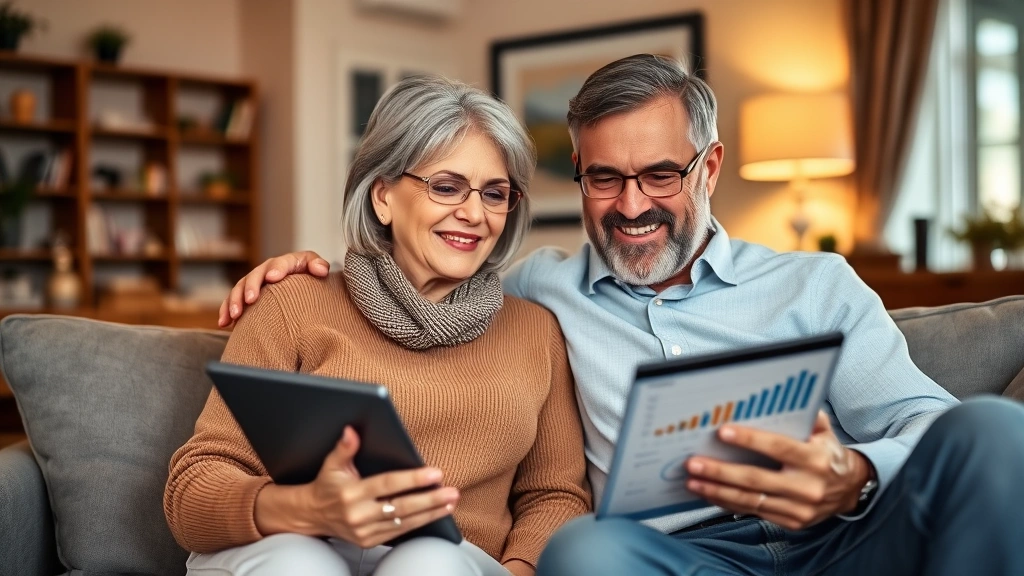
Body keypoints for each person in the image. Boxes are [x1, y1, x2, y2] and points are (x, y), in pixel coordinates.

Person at [217, 54, 1024, 575]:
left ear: (709, 167)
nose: (631, 205)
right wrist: (311, 269)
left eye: (660, 174)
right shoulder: (533, 297)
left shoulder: (816, 284)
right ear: (579, 177)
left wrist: (852, 478)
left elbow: (926, 420)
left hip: (846, 540)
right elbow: (425, 264)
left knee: (994, 429)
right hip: (676, 559)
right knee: (585, 552)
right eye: (605, 178)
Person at [164, 75, 590, 576]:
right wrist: (306, 508)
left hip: (451, 561)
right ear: (382, 196)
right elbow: (193, 489)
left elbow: (555, 495)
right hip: (293, 541)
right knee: (298, 562)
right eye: (447, 186)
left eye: (495, 194)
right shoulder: (293, 301)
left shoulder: (536, 331)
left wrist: (518, 569)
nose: (475, 213)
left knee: (430, 563)